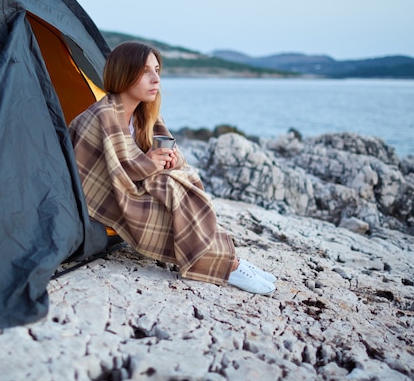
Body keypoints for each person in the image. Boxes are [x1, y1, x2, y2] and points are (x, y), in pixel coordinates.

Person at [69, 41, 276, 294]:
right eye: (146, 71)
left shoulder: (145, 116)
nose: (156, 79)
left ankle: (231, 261)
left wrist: (168, 160)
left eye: (157, 70)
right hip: (99, 198)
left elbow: (172, 163)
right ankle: (227, 264)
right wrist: (149, 164)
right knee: (168, 187)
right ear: (123, 73)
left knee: (173, 184)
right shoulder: (101, 115)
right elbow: (106, 173)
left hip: (130, 189)